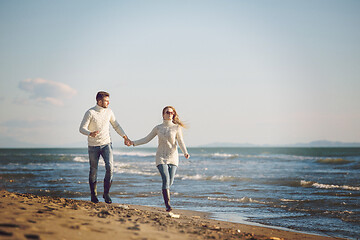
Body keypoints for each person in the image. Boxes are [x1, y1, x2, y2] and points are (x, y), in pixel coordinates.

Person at [130, 106, 190, 212]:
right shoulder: (158, 128)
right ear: (163, 114)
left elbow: (180, 141)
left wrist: (185, 152)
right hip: (160, 157)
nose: (170, 114)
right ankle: (168, 205)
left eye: (172, 113)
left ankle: (166, 198)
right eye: (167, 112)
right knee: (166, 180)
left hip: (173, 157)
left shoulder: (176, 127)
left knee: (169, 182)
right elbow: (146, 139)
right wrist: (133, 143)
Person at [79, 91, 131, 204]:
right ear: (99, 101)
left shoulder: (109, 112)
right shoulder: (90, 112)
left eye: (108, 100)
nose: (108, 102)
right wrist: (90, 133)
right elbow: (81, 128)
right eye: (106, 101)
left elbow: (116, 125)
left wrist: (124, 137)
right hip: (93, 146)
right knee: (93, 170)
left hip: (107, 144)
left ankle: (106, 194)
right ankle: (93, 195)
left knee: (110, 167)